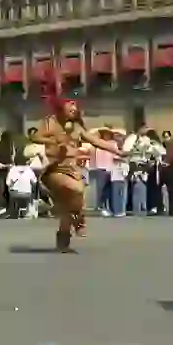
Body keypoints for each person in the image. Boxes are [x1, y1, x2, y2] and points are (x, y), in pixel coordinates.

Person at [29, 75, 125, 252]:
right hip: (54, 170)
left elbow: (96, 141)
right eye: (70, 104)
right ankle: (79, 219)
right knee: (77, 190)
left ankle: (63, 238)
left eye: (75, 105)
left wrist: (117, 151)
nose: (74, 108)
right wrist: (55, 142)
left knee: (69, 205)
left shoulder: (77, 127)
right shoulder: (51, 122)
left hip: (73, 170)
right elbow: (35, 136)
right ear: (61, 106)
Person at [6, 153, 37, 218]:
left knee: (10, 190)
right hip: (27, 194)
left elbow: (8, 183)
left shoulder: (12, 169)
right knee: (31, 191)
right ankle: (29, 210)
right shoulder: (29, 170)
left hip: (15, 194)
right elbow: (34, 182)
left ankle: (12, 211)